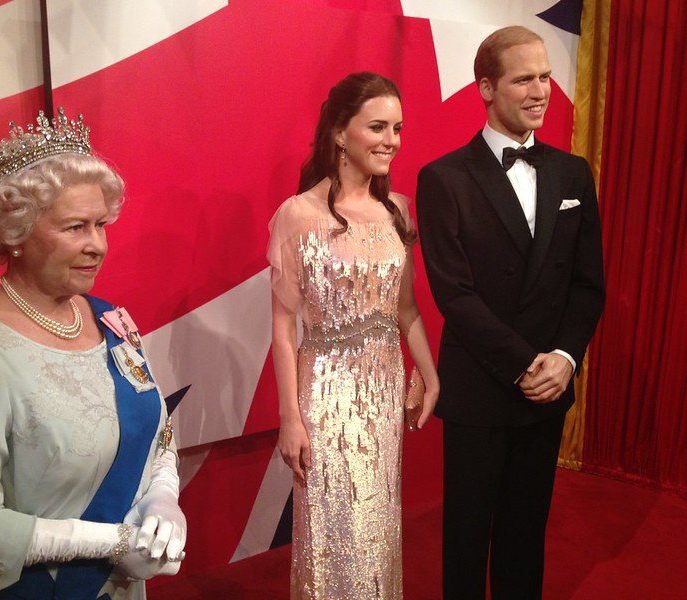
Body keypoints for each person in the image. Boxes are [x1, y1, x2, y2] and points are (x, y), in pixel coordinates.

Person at [0, 108, 186, 599]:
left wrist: (164, 499)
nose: (97, 246)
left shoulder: (111, 321)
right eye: (74, 228)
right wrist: (114, 540)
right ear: (15, 235)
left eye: (101, 224)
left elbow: (158, 435)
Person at [416, 26, 605, 599]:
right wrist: (525, 364)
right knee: (468, 536)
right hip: (482, 385)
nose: (541, 90)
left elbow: (587, 285)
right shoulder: (443, 178)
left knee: (527, 532)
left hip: (550, 385)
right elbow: (455, 295)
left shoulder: (573, 173)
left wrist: (566, 359)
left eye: (545, 76)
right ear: (485, 88)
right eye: (524, 78)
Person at [268, 72, 439, 599]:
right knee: (332, 530)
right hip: (326, 391)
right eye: (378, 127)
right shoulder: (298, 215)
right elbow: (282, 325)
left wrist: (429, 377)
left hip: (385, 387)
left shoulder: (399, 210)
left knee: (376, 525)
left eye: (398, 128)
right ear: (340, 133)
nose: (391, 140)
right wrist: (289, 419)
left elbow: (405, 306)